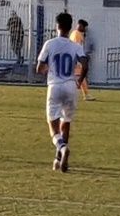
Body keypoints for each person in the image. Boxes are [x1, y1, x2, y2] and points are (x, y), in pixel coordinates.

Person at [36, 12, 86, 173]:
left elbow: (39, 68)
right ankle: (58, 159)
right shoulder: (75, 46)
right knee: (66, 122)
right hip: (71, 86)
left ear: (57, 26)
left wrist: (47, 70)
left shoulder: (49, 44)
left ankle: (62, 149)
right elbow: (85, 64)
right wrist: (80, 80)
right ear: (70, 27)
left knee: (53, 127)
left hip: (55, 86)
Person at [69, 19, 94, 100]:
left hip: (73, 58)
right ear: (81, 26)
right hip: (76, 59)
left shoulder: (75, 33)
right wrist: (79, 59)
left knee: (78, 76)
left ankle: (85, 94)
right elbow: (76, 47)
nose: (85, 29)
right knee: (80, 76)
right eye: (84, 27)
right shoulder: (77, 35)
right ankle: (85, 95)